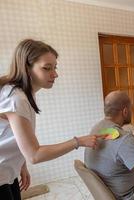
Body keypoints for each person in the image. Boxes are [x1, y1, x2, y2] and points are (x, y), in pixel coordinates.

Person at [0, 39, 107, 200]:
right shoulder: (16, 98)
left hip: (8, 170)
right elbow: (34, 154)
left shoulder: (27, 94)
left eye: (54, 67)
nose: (55, 74)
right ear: (27, 68)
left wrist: (20, 165)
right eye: (46, 68)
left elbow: (15, 137)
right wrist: (78, 141)